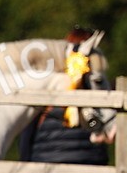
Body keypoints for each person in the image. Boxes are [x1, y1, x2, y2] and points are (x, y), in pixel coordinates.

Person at [18, 28, 114, 165]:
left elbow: (26, 138)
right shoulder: (95, 95)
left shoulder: (46, 89)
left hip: (44, 171)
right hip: (90, 171)